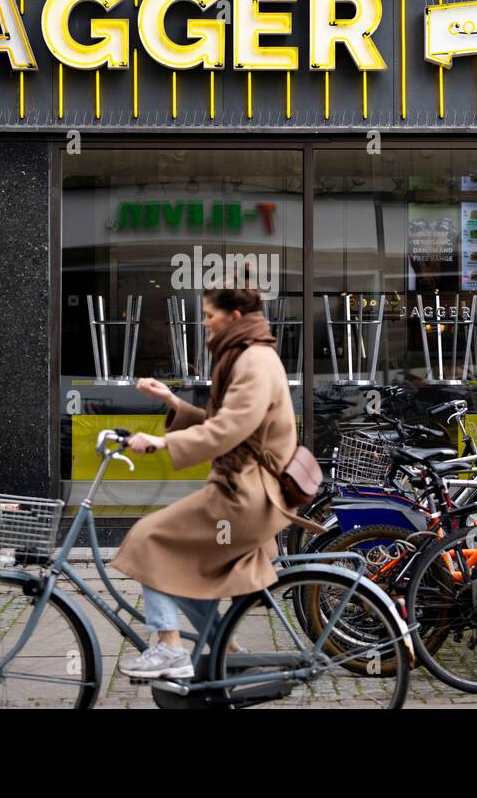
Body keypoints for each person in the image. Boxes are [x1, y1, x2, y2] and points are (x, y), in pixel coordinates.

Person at [111, 285, 321, 680]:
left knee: (149, 539)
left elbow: (230, 428)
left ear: (235, 318)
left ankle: (168, 647)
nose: (205, 321)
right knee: (187, 572)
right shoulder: (244, 354)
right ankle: (228, 648)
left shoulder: (254, 360)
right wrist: (174, 403)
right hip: (241, 491)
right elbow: (227, 423)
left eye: (210, 315)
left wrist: (163, 441)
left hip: (244, 499)